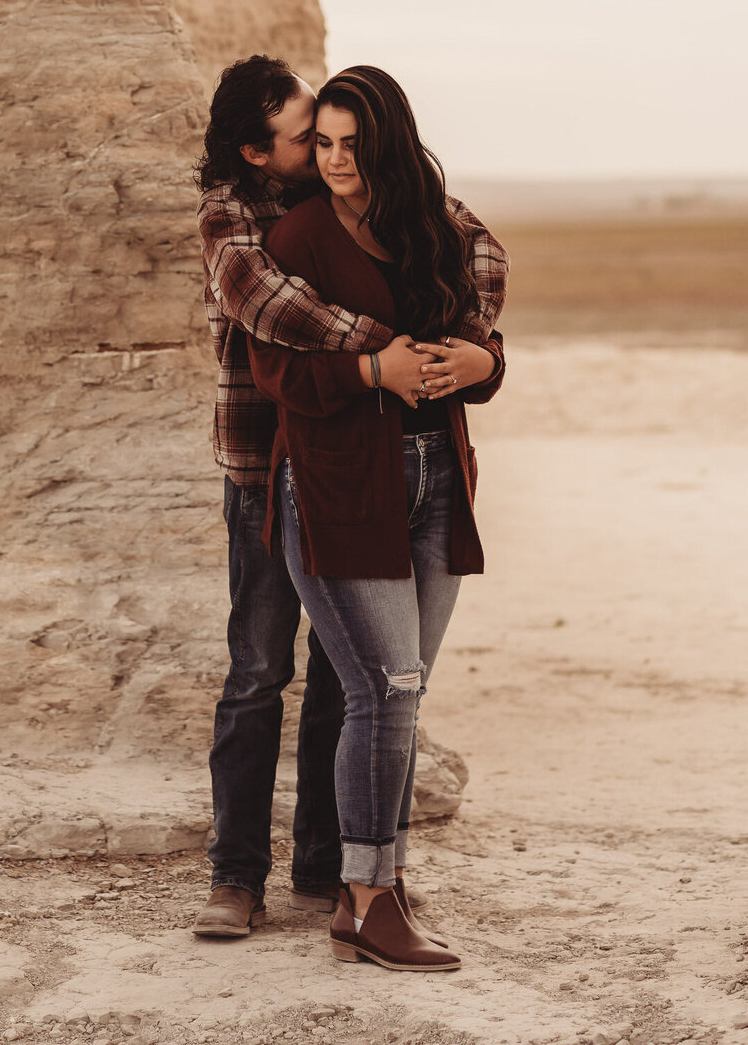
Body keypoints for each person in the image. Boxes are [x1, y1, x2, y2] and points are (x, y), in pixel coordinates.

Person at [193, 56, 506, 942]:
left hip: (362, 462)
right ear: (263, 153)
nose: (327, 155)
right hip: (267, 463)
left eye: (341, 138)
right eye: (309, 139)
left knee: (353, 680)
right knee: (260, 674)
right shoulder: (243, 217)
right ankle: (235, 878)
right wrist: (385, 355)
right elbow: (266, 309)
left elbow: (477, 246)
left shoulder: (377, 204)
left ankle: (336, 872)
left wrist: (473, 349)